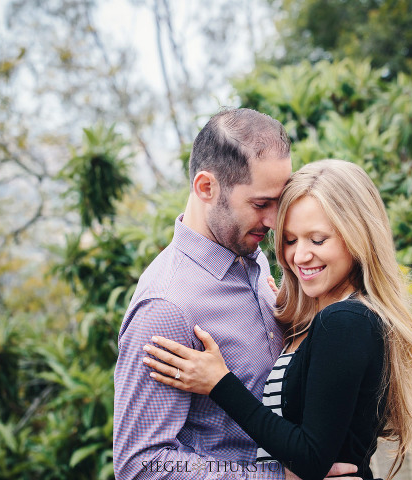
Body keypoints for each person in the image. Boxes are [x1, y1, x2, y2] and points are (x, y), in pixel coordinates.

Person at [143, 160, 412, 480]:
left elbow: (310, 458)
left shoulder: (345, 321)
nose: (300, 256)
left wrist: (219, 383)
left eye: (318, 240)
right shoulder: (328, 317)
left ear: (357, 236)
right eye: (290, 240)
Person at [113, 110, 359, 479]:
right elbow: (141, 465)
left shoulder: (252, 259)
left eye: (280, 201)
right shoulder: (166, 306)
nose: (276, 221)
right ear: (206, 188)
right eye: (261, 204)